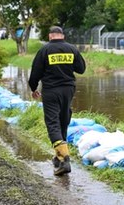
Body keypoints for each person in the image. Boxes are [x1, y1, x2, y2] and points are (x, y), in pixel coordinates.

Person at [28, 26, 86, 175]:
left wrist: (33, 88)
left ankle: (64, 159)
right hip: (68, 90)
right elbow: (81, 69)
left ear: (50, 36)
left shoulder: (44, 50)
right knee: (63, 119)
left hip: (51, 91)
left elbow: (35, 72)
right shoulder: (72, 49)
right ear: (63, 35)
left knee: (52, 122)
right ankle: (58, 156)